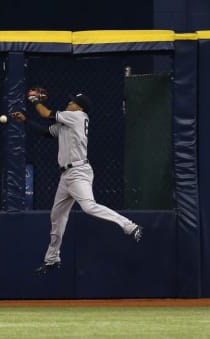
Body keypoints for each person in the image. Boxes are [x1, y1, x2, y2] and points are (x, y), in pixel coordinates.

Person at [11, 90, 143, 274]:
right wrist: (25, 121)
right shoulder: (68, 123)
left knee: (89, 206)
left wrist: (34, 100)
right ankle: (52, 259)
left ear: (79, 107)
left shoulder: (77, 116)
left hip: (78, 171)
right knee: (57, 216)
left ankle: (130, 226)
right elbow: (46, 132)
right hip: (66, 176)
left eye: (73, 102)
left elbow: (46, 114)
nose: (69, 103)